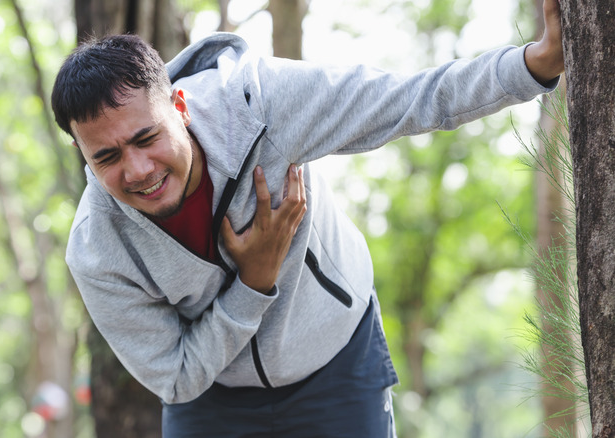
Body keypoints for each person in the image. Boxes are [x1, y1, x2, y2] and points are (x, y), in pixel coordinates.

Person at [50, 0, 564, 435]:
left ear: (180, 106)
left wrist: (535, 65)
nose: (138, 170)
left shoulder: (261, 104)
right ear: (81, 152)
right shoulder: (97, 248)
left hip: (336, 362)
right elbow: (176, 376)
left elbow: (409, 99)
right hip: (212, 400)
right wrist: (253, 284)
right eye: (107, 157)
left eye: (146, 138)